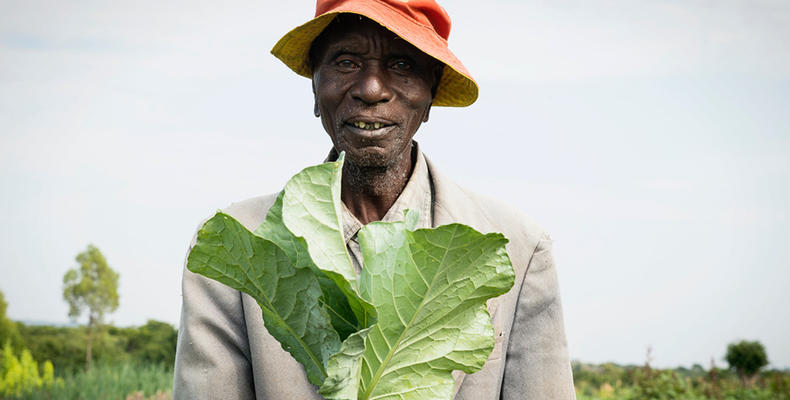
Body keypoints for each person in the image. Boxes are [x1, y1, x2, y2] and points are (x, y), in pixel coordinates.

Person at [173, 0, 575, 399]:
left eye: (402, 65)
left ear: (430, 94)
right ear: (315, 87)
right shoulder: (238, 245)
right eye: (346, 62)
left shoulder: (519, 247)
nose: (371, 89)